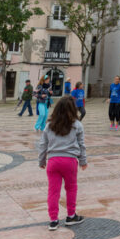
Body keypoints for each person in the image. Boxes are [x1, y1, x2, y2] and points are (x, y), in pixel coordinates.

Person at [37, 96, 87, 231]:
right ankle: (71, 216)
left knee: (53, 191)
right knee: (71, 188)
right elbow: (81, 145)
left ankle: (53, 220)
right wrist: (83, 161)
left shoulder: (49, 125)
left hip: (53, 162)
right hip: (70, 161)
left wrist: (41, 160)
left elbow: (43, 144)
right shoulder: (77, 125)